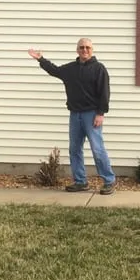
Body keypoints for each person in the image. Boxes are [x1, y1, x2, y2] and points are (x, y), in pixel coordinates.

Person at [28, 39, 116, 194]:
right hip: (75, 115)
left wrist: (100, 113)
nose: (84, 50)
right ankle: (80, 181)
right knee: (74, 149)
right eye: (81, 47)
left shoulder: (99, 69)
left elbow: (104, 92)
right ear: (77, 50)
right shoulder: (71, 69)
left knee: (97, 149)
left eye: (87, 47)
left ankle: (109, 181)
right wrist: (40, 59)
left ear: (92, 50)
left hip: (92, 115)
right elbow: (54, 70)